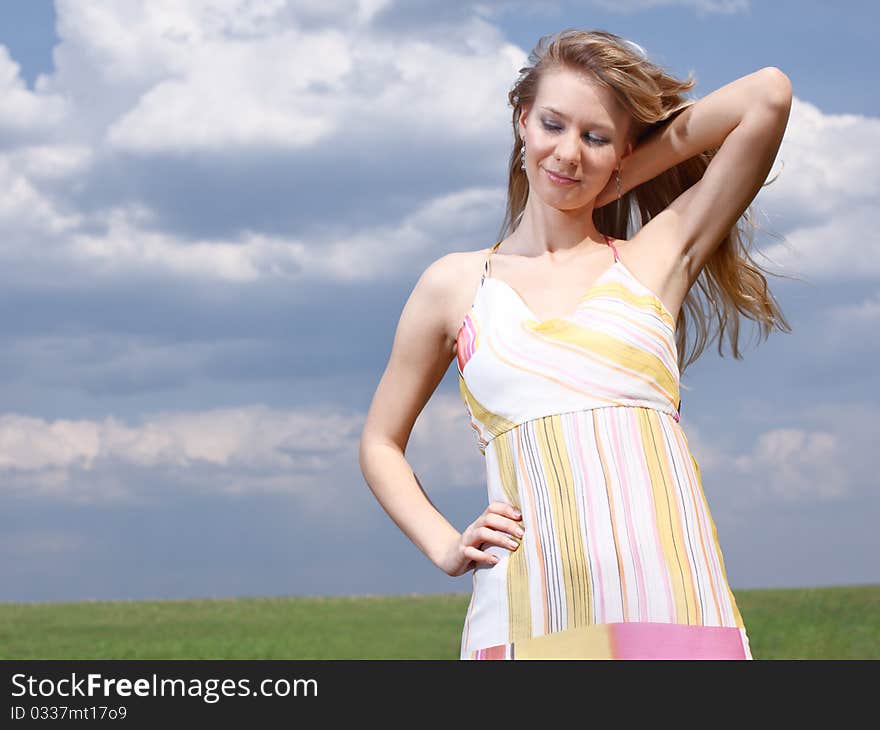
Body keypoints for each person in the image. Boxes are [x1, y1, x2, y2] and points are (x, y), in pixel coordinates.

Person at [359, 28, 793, 659]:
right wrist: (444, 544)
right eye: (553, 126)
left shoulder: (653, 260)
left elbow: (768, 97)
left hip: (676, 606)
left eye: (595, 136)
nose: (567, 152)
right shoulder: (456, 284)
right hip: (529, 611)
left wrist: (615, 175)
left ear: (623, 149)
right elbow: (379, 442)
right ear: (521, 121)